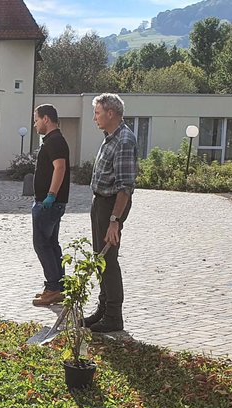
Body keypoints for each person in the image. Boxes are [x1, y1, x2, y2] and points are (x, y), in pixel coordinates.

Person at [86, 93, 136, 333]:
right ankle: (103, 309)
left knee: (108, 259)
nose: (94, 117)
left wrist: (114, 221)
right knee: (100, 258)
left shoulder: (124, 140)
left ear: (111, 113)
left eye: (97, 113)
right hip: (101, 203)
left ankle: (114, 316)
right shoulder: (110, 137)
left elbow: (125, 187)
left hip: (111, 207)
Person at [30, 104, 71, 307]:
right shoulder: (52, 140)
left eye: (36, 119)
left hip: (49, 204)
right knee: (51, 244)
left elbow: (60, 167)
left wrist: (51, 195)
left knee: (42, 245)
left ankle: (53, 288)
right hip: (49, 202)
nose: (35, 123)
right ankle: (58, 287)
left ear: (46, 119)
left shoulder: (55, 141)